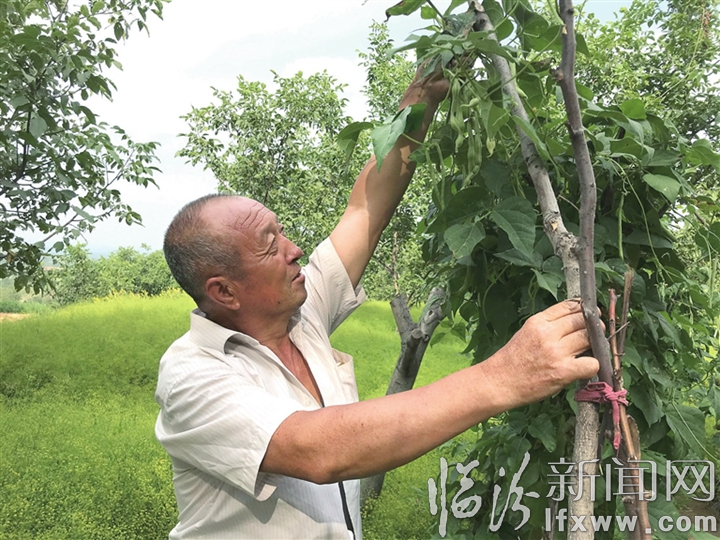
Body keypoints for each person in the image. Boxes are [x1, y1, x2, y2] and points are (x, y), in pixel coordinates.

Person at [155, 67, 599, 539]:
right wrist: (504, 376)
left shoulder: (298, 313)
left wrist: (422, 96)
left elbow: (365, 209)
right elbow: (317, 450)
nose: (294, 249)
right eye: (270, 245)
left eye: (282, 231)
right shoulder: (192, 376)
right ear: (224, 291)